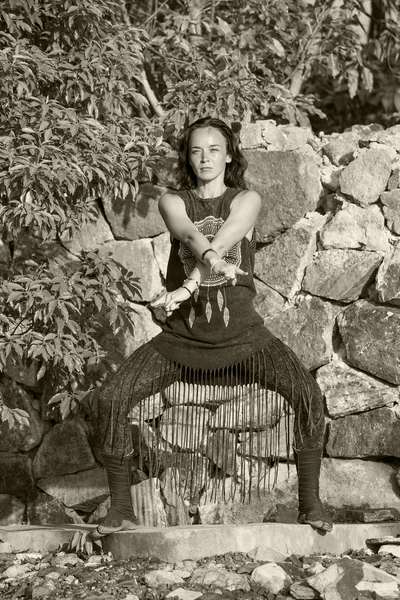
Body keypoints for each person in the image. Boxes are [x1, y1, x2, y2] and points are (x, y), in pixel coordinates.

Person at [91, 116, 333, 539]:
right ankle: (122, 509)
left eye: (214, 150)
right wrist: (206, 268)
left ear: (229, 155)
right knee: (112, 397)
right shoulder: (173, 200)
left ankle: (310, 506)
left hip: (245, 336)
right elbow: (188, 235)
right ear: (187, 156)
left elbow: (227, 237)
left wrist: (190, 282)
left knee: (308, 394)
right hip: (182, 338)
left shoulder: (247, 199)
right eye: (196, 150)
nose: (205, 158)